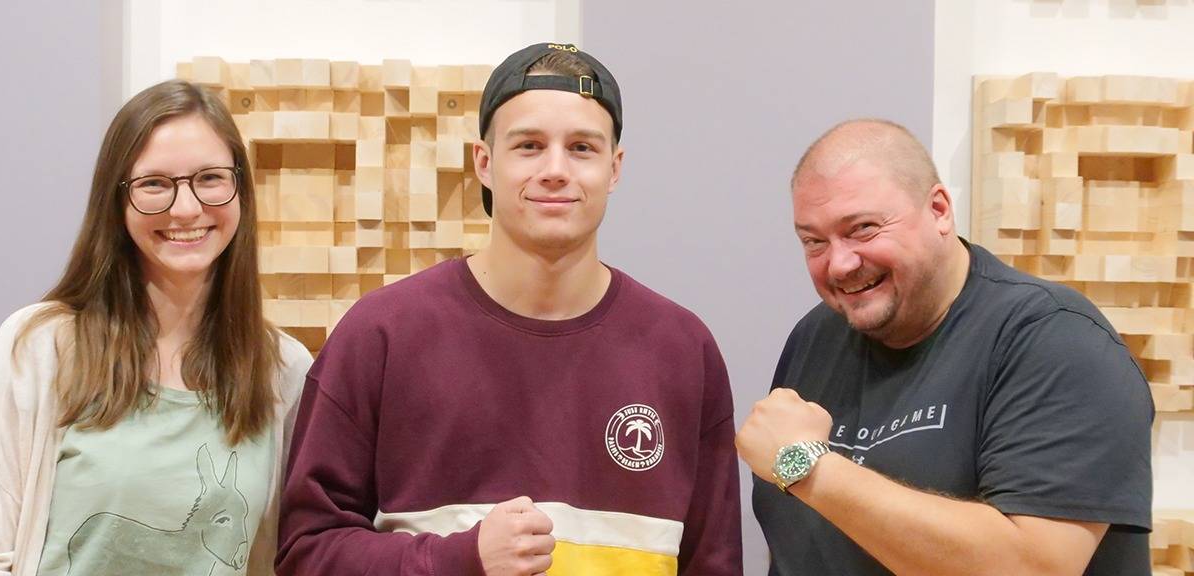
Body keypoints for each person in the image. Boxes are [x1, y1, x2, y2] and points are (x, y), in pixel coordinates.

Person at [277, 42, 742, 575]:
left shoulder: (681, 349)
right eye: (529, 146)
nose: (555, 170)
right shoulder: (381, 334)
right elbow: (306, 554)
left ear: (614, 168)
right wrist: (460, 559)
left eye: (582, 148)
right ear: (484, 162)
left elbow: (714, 563)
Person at [0, 80, 313, 576]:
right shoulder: (39, 348)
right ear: (117, 200)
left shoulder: (282, 370)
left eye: (210, 178)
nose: (186, 208)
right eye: (155, 184)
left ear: (241, 189)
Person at [736, 118, 1153, 575]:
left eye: (863, 229)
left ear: (938, 210)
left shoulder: (1057, 340)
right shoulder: (816, 336)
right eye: (814, 241)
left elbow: (1033, 566)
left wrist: (807, 467)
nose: (839, 264)